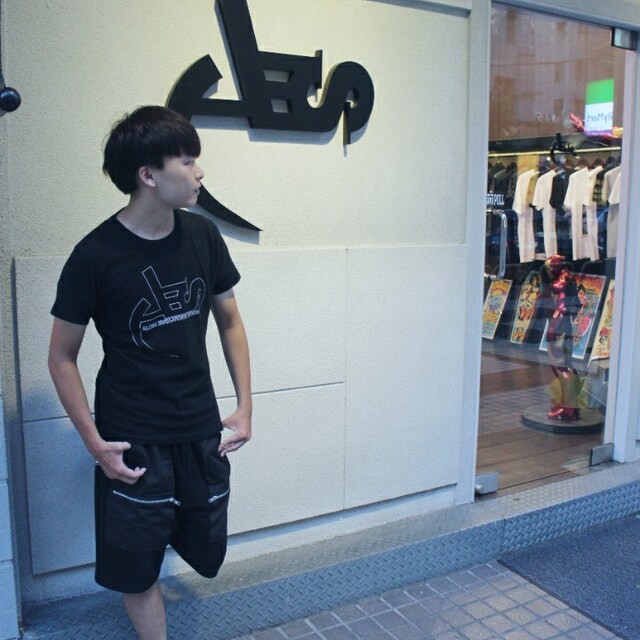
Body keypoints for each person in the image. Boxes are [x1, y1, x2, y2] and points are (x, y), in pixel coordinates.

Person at [48, 106, 252, 639]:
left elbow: (230, 320)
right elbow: (61, 355)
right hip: (133, 437)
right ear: (148, 175)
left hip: (198, 427)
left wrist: (245, 405)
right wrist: (94, 442)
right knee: (136, 567)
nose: (199, 172)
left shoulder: (203, 237)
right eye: (187, 161)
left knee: (204, 544)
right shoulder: (94, 256)